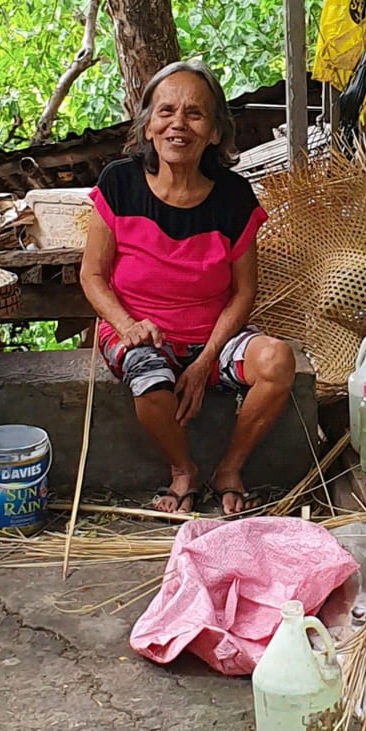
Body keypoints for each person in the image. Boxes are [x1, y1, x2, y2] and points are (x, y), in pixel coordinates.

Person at [79, 59, 297, 516]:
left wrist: (204, 361)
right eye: (166, 112)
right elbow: (92, 275)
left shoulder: (234, 197)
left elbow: (243, 293)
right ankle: (184, 472)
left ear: (215, 132)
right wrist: (127, 325)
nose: (178, 124)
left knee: (277, 359)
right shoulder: (119, 183)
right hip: (137, 329)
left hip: (212, 336)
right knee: (149, 375)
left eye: (195, 114)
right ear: (148, 126)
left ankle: (229, 469)